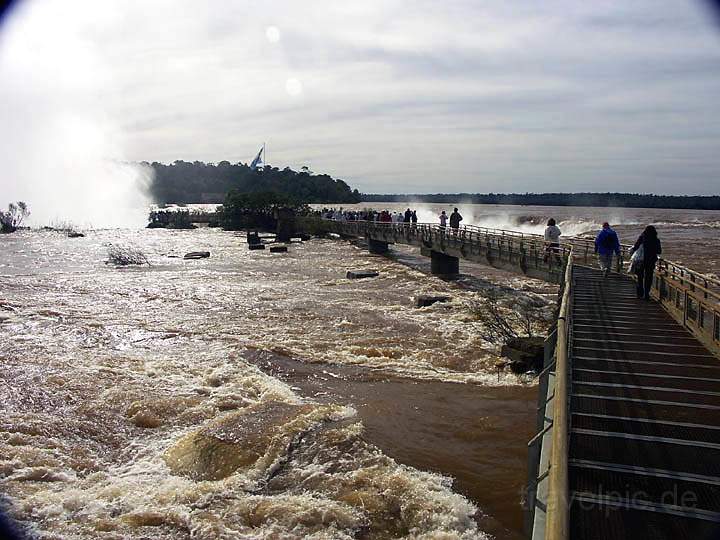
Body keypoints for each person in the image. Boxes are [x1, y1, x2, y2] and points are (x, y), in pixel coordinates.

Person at [631, 225, 662, 300]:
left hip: (640, 260)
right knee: (649, 277)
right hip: (650, 261)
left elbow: (635, 247)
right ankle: (646, 294)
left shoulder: (642, 238)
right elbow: (659, 251)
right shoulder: (656, 240)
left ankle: (639, 294)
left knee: (640, 277)